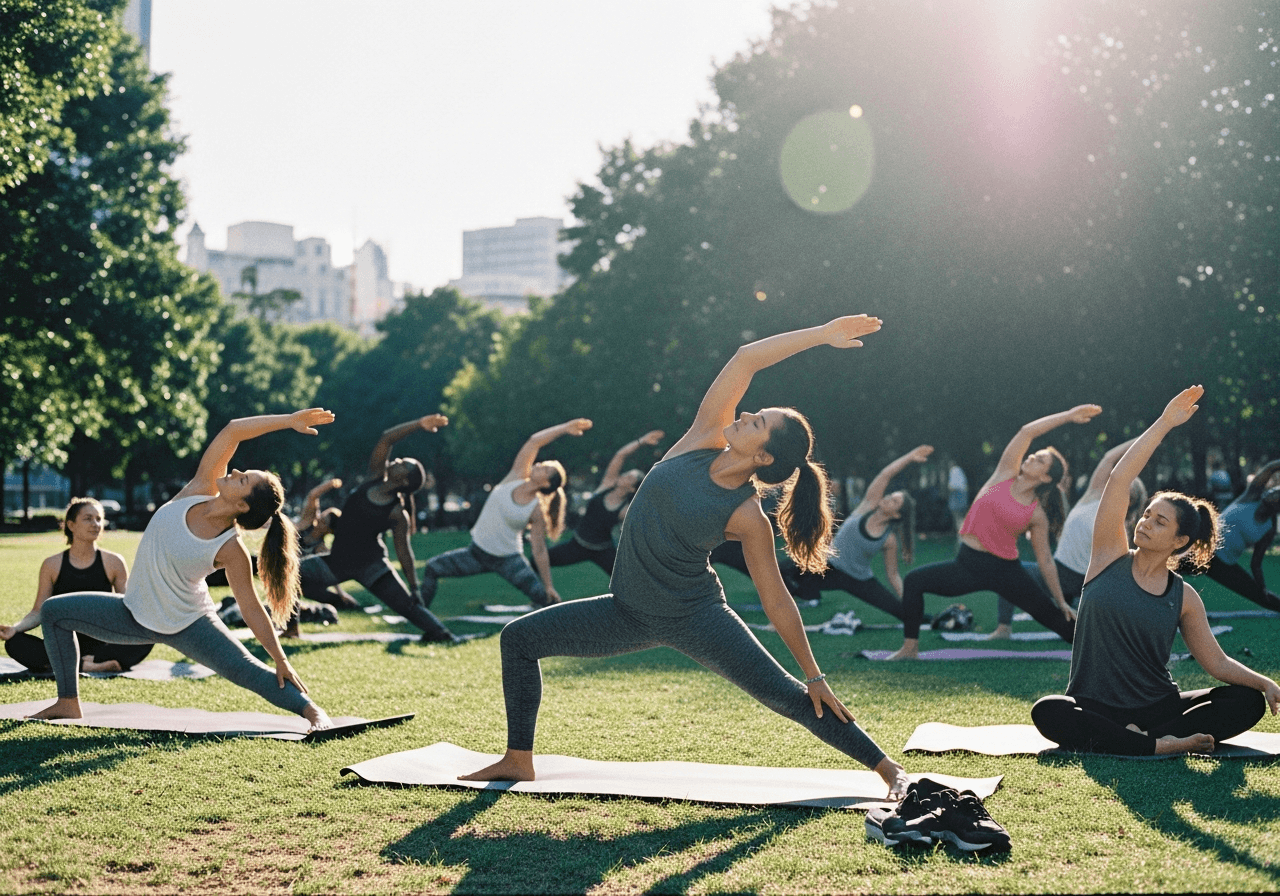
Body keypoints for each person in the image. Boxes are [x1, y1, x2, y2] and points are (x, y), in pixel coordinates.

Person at [458, 315, 909, 799]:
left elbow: (777, 599)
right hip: (625, 610)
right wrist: (820, 335)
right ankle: (518, 759)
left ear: (763, 458)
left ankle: (890, 772)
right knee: (519, 640)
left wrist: (815, 675)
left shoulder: (747, 517)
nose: (746, 414)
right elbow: (747, 358)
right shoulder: (701, 438)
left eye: (757, 422)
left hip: (697, 616)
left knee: (789, 697)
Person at [23, 410, 336, 727]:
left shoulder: (230, 548)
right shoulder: (198, 489)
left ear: (242, 506)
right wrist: (289, 420)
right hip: (133, 613)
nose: (237, 470)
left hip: (190, 623)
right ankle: (67, 702)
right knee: (53, 612)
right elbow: (232, 430)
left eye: (243, 479)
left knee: (246, 670)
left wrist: (281, 659)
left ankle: (314, 713)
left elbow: (252, 607)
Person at [1031, 386, 1278, 755]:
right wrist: (1164, 424)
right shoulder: (1108, 556)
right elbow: (1119, 479)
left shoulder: (1183, 597)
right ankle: (1161, 745)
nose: (1145, 522)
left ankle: (1139, 739)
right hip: (1095, 703)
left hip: (1158, 707)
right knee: (1050, 711)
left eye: (1159, 521)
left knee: (1246, 702)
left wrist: (1266, 683)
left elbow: (1216, 661)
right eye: (1146, 513)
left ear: (1179, 541)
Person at [885, 405, 1100, 659]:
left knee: (1058, 622)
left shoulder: (1036, 514)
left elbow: (1045, 560)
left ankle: (1107, 652)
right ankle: (910, 649)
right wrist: (1067, 416)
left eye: (1040, 460)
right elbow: (1026, 432)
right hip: (966, 564)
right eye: (1035, 455)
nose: (1031, 457)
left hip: (1004, 570)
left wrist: (1061, 601)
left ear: (1045, 478)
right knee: (914, 581)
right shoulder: (1004, 474)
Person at [295, 414, 458, 643]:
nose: (398, 460)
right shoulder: (374, 477)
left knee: (409, 607)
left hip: (371, 567)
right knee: (288, 573)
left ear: (403, 481)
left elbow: (403, 551)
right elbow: (386, 439)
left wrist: (414, 587)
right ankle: (297, 626)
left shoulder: (396, 513)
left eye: (404, 465)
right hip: (338, 562)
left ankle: (442, 635)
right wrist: (418, 424)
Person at [418, 418, 592, 610]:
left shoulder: (536, 510)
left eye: (545, 469)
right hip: (476, 553)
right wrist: (565, 428)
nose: (540, 464)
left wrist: (549, 586)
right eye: (543, 463)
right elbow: (534, 441)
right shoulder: (515, 477)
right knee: (433, 568)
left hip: (508, 560)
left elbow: (539, 550)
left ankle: (553, 631)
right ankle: (421, 613)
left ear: (546, 484)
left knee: (546, 600)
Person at [988, 438, 1145, 638]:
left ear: (1131, 500)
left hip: (1074, 578)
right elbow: (1108, 459)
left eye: (1125, 487)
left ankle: (1004, 628)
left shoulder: (1118, 524)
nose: (1116, 485)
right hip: (1063, 571)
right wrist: (1146, 437)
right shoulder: (1093, 496)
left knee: (1007, 570)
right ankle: (1066, 608)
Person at [1, 498, 152, 674]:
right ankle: (87, 665)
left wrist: (148, 618)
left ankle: (75, 663)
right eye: (88, 518)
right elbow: (38, 612)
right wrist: (15, 628)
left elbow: (127, 606)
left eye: (98, 519)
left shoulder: (114, 562)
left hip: (102, 644)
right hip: (62, 643)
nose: (95, 524)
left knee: (148, 635)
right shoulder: (52, 564)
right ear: (71, 525)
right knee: (14, 643)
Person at [787, 445, 933, 618]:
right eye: (891, 495)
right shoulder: (868, 506)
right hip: (828, 566)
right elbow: (885, 475)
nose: (887, 498)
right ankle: (801, 598)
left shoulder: (889, 540)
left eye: (894, 501)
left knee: (904, 613)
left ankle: (936, 619)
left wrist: (907, 599)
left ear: (896, 514)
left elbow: (893, 575)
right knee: (783, 570)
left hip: (857, 579)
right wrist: (909, 457)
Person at [547, 430, 664, 576]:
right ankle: (544, 597)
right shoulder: (607, 484)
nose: (624, 475)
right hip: (577, 544)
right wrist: (642, 441)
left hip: (602, 550)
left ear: (632, 488)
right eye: (626, 473)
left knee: (625, 579)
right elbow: (620, 455)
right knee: (539, 559)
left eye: (629, 477)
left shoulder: (625, 509)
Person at [1205, 459, 1280, 612]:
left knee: (1261, 595)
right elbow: (1270, 469)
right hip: (1204, 549)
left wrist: (1262, 588)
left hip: (1224, 565)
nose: (1271, 491)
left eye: (1276, 494)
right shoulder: (1252, 496)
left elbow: (1256, 563)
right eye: (1272, 490)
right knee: (1171, 564)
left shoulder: (1269, 528)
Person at [947, 462, 969, 534]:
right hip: (962, 496)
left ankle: (961, 537)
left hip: (957, 497)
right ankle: (962, 536)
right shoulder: (959, 470)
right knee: (961, 518)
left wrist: (948, 488)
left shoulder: (954, 470)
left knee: (958, 518)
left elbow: (953, 486)